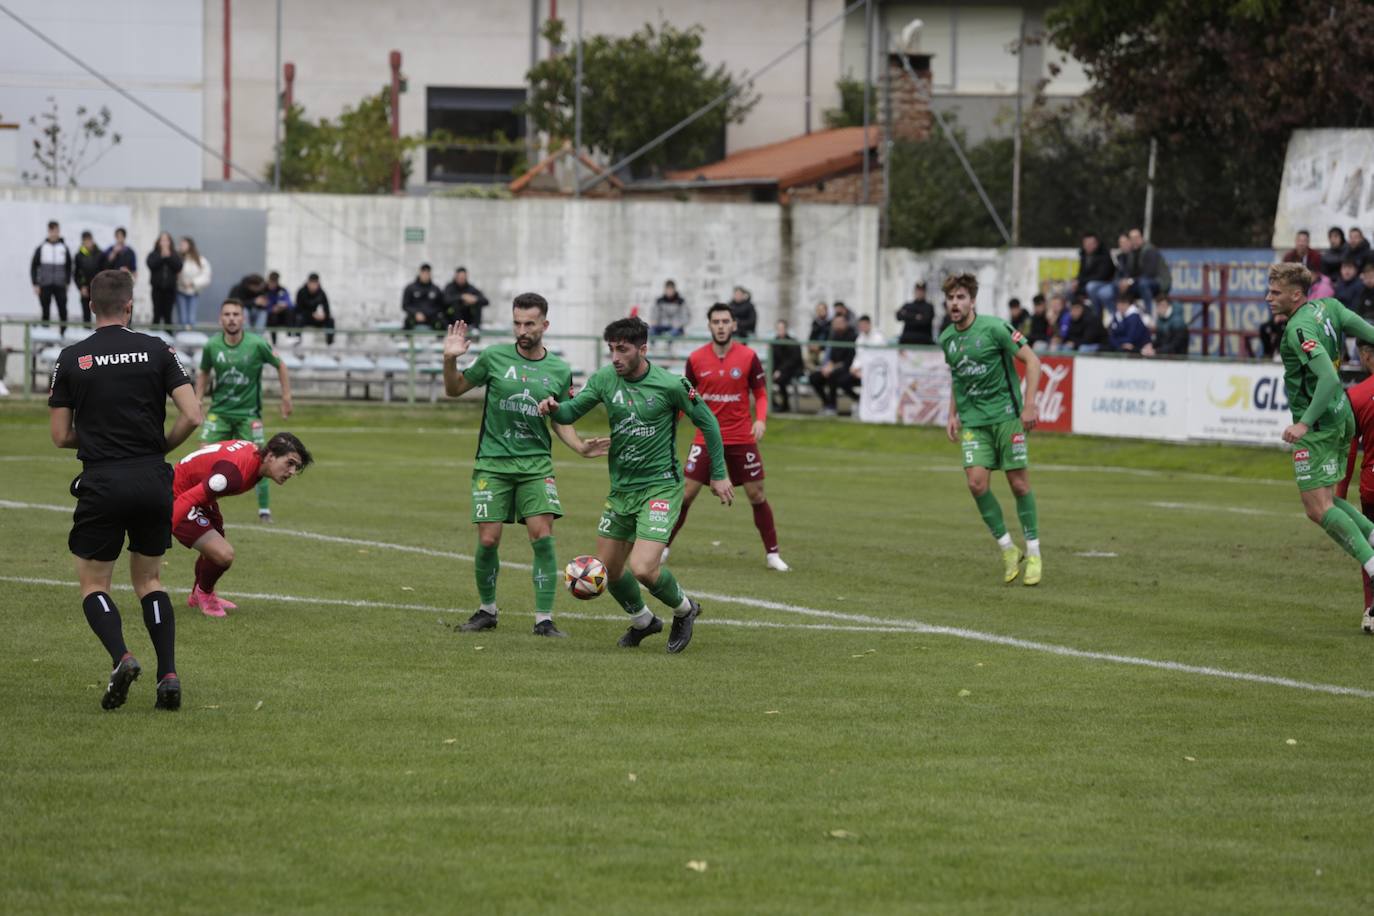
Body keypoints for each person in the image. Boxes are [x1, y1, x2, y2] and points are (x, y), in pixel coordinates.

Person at [47, 269, 203, 711]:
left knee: (95, 583)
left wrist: (97, 435)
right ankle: (168, 674)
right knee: (150, 580)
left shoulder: (73, 357)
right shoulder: (158, 348)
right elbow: (192, 415)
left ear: (91, 305)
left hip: (103, 480)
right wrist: (159, 445)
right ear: (131, 305)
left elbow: (60, 436)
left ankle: (123, 656)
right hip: (153, 478)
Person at [536, 316, 732, 653]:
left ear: (643, 349)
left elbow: (709, 424)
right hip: (622, 490)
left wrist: (718, 473)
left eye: (622, 349)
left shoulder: (672, 385)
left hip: (660, 487)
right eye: (611, 349)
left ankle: (685, 610)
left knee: (642, 568)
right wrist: (553, 407)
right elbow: (570, 413)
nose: (615, 357)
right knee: (609, 570)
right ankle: (644, 621)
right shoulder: (604, 379)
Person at [441, 293, 608, 638]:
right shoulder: (494, 357)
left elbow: (560, 417)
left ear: (545, 325)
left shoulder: (559, 370)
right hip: (492, 462)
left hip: (536, 464)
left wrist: (578, 445)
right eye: (517, 323)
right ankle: (487, 611)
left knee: (543, 537)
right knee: (488, 540)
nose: (522, 330)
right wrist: (449, 360)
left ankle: (543, 619)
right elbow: (454, 389)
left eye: (529, 323)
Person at [1266, 261, 1374, 633]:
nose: (1268, 298)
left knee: (1316, 508)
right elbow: (1369, 332)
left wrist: (1303, 423)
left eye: (1275, 292)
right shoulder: (1330, 306)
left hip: (1323, 421)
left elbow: (1327, 377)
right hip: (1343, 414)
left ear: (1296, 294)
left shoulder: (1299, 328)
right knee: (1325, 499)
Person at [665, 303, 789, 571]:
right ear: (709, 325)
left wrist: (760, 419)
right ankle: (662, 548)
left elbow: (762, 393)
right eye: (716, 322)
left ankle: (773, 554)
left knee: (757, 494)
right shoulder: (696, 359)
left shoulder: (748, 357)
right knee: (686, 494)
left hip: (741, 437)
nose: (721, 326)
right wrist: (671, 425)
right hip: (705, 438)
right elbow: (686, 397)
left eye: (725, 321)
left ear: (734, 325)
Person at [939, 272, 1043, 586]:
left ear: (972, 301)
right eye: (950, 298)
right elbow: (958, 377)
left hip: (1006, 418)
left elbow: (1033, 361)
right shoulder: (947, 339)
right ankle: (1008, 549)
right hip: (973, 422)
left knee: (1019, 485)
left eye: (960, 298)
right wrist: (952, 414)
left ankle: (1034, 553)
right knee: (976, 483)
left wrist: (1029, 404)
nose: (954, 304)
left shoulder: (995, 328)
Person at [174, 434, 313, 617]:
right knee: (223, 554)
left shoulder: (253, 458)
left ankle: (196, 595)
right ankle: (204, 595)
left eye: (296, 466)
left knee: (216, 544)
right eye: (289, 463)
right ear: (270, 456)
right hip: (177, 496)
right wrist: (162, 529)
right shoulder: (233, 475)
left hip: (198, 492)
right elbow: (187, 498)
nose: (292, 471)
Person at [196, 298, 293, 523]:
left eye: (236, 314)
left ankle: (264, 510)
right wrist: (197, 399)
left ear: (243, 318)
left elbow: (281, 365)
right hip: (219, 413)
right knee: (203, 455)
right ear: (221, 319)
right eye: (227, 314)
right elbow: (203, 372)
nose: (231, 319)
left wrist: (286, 396)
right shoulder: (212, 346)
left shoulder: (257, 344)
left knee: (263, 459)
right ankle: (201, 505)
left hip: (249, 415)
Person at [1337, 340, 1374, 615]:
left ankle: (1371, 609)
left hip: (1371, 485)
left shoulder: (1357, 395)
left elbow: (1348, 451)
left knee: (1369, 546)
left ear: (1366, 356)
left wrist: (1338, 496)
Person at [808, 310, 858, 415]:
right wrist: (827, 366)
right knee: (814, 378)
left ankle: (833, 406)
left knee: (833, 376)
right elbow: (831, 356)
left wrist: (832, 367)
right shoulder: (834, 336)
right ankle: (826, 403)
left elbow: (849, 360)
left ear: (845, 323)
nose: (837, 325)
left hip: (847, 368)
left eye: (840, 323)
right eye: (835, 323)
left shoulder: (852, 336)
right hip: (833, 367)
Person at [31, 220, 73, 329]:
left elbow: (69, 266)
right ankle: (45, 333)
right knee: (45, 310)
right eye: (53, 231)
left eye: (57, 231)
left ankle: (64, 332)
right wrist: (35, 283)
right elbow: (34, 267)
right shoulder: (42, 248)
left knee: (62, 310)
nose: (55, 233)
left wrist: (67, 282)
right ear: (49, 231)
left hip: (60, 285)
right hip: (45, 284)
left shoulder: (64, 248)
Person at [1073, 233, 1116, 316]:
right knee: (1069, 289)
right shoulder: (1084, 255)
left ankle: (1097, 314)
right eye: (1086, 243)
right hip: (1088, 283)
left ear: (1096, 243)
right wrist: (1076, 281)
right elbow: (1081, 273)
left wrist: (1080, 282)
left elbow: (1102, 276)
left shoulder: (1104, 255)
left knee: (1092, 287)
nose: (1088, 246)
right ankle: (1075, 317)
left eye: (1091, 243)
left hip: (1105, 283)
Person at [146, 231, 182, 328]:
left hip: (170, 290)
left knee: (168, 315)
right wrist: (162, 257)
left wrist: (169, 256)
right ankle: (153, 337)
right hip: (157, 289)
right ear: (158, 242)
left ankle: (169, 337)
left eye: (167, 240)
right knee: (156, 313)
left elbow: (178, 266)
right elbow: (151, 265)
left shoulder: (175, 254)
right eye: (162, 240)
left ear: (170, 242)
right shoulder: (153, 254)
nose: (164, 243)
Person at [175, 237, 211, 329]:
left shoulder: (200, 260)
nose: (181, 246)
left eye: (184, 244)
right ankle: (182, 339)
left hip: (193, 292)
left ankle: (191, 338)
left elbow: (206, 276)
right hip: (180, 291)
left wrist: (193, 283)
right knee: (182, 319)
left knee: (191, 319)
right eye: (181, 244)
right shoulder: (178, 258)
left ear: (190, 245)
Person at [769, 319, 805, 412]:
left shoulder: (793, 342)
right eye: (778, 328)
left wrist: (780, 371)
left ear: (786, 329)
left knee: (781, 380)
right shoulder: (774, 342)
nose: (780, 331)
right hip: (778, 370)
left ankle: (785, 405)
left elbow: (793, 361)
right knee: (762, 379)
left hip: (792, 370)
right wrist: (772, 371)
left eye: (782, 328)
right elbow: (773, 359)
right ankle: (773, 404)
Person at [294, 273, 335, 344]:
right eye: (311, 283)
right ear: (308, 283)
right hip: (305, 318)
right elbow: (298, 309)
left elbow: (327, 309)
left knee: (330, 321)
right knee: (298, 319)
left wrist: (324, 316)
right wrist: (311, 314)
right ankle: (297, 344)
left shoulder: (322, 293)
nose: (313, 286)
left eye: (315, 283)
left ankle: (330, 344)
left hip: (318, 319)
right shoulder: (301, 292)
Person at [73, 230, 103, 325]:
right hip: (85, 288)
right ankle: (86, 333)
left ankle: (102, 333)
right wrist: (81, 287)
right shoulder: (79, 256)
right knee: (86, 313)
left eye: (89, 240)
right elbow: (76, 273)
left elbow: (104, 271)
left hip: (98, 288)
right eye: (85, 241)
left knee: (101, 312)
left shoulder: (100, 254)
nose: (88, 243)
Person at [402, 263, 444, 330]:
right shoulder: (410, 288)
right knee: (408, 322)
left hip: (431, 317)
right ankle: (407, 340)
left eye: (427, 273)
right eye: (423, 273)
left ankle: (440, 339)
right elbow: (405, 305)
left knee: (441, 323)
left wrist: (427, 314)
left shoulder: (436, 289)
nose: (425, 275)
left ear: (430, 274)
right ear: (420, 273)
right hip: (415, 317)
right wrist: (416, 313)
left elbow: (440, 306)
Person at [850, 314, 887, 384]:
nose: (862, 327)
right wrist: (854, 367)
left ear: (869, 324)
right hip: (862, 367)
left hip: (876, 368)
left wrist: (863, 367)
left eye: (864, 325)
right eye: (860, 325)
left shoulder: (878, 337)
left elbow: (879, 357)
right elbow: (858, 356)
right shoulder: (859, 339)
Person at [263, 271, 294, 340]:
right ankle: (274, 341)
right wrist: (271, 309)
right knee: (272, 316)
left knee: (289, 312)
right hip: (269, 316)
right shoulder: (264, 290)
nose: (273, 284)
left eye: (275, 282)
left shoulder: (282, 290)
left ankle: (290, 337)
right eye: (271, 282)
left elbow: (290, 303)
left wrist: (284, 305)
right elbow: (262, 305)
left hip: (281, 315)